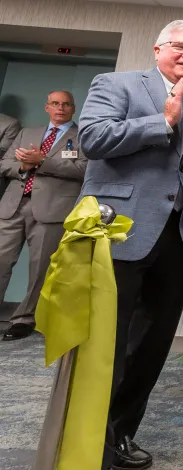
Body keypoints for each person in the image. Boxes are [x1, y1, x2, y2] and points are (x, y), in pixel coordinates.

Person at [78, 19, 183, 470]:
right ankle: (84, 437)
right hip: (119, 227)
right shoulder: (117, 84)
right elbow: (92, 139)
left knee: (153, 342)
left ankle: (119, 432)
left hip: (181, 234)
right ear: (158, 48)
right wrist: (163, 120)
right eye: (179, 46)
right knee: (107, 339)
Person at [0, 91, 86, 341]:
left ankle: (24, 319)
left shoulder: (82, 136)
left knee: (40, 268)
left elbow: (85, 169)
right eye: (55, 104)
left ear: (73, 108)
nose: (61, 108)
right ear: (47, 107)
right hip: (12, 206)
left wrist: (42, 161)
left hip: (52, 210)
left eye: (66, 104)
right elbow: (4, 164)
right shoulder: (27, 133)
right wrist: (23, 166)